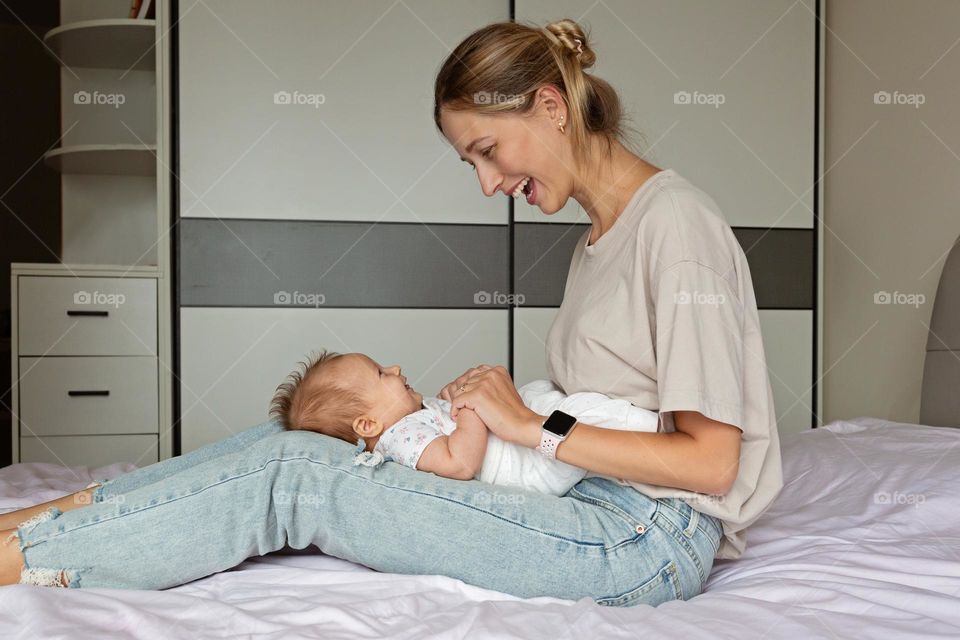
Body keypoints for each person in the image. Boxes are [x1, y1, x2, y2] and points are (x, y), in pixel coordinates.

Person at [0, 17, 782, 606]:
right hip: (587, 501)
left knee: (297, 478)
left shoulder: (675, 227)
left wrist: (528, 426)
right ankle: (52, 517)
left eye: (486, 150)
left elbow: (711, 463)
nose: (485, 183)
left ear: (549, 106)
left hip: (643, 538)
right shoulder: (599, 238)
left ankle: (28, 555)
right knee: (297, 438)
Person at [269, 349, 659, 495]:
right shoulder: (400, 439)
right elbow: (459, 463)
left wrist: (455, 394)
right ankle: (653, 428)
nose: (396, 366)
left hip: (517, 448)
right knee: (576, 415)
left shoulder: (407, 425)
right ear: (368, 425)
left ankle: (632, 426)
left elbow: (441, 426)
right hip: (526, 467)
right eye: (381, 373)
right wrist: (471, 409)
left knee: (544, 392)